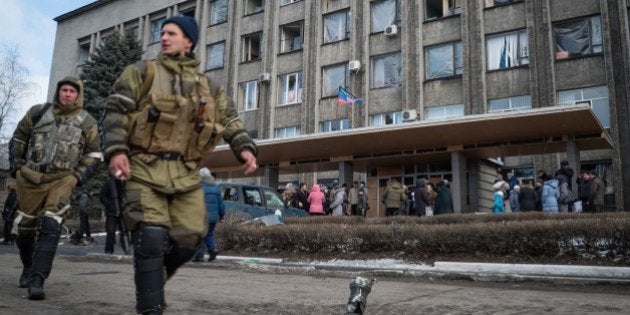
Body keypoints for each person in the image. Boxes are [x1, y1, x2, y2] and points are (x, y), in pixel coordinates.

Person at [100, 16, 258, 314]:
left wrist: (245, 149)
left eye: (171, 33)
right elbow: (116, 110)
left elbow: (231, 120)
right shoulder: (141, 73)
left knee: (190, 237)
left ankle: (152, 282)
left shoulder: (209, 87)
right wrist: (117, 150)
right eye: (162, 33)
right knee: (152, 237)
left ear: (189, 42)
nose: (164, 37)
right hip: (143, 168)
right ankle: (151, 306)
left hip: (186, 174)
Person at [9, 76, 101, 300]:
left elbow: (94, 153)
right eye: (65, 90)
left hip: (62, 180)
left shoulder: (86, 121)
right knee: (25, 228)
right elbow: (19, 137)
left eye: (72, 91)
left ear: (78, 95)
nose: (68, 94)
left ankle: (38, 279)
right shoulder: (38, 112)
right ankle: (28, 267)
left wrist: (77, 177)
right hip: (30, 178)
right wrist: (17, 168)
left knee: (52, 224)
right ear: (59, 92)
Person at [193, 169, 225, 262]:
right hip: (213, 218)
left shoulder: (198, 187)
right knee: (209, 234)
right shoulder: (216, 187)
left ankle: (199, 255)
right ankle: (212, 250)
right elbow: (221, 204)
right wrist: (221, 215)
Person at [100, 175, 128, 254]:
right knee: (111, 231)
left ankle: (126, 248)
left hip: (123, 211)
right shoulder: (110, 182)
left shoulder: (127, 183)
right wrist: (110, 205)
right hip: (112, 212)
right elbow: (102, 196)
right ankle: (109, 250)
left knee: (124, 231)